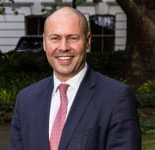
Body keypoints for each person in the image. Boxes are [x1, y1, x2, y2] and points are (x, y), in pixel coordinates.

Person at [8, 6, 141, 150]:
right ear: (44, 43)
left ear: (88, 41)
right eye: (55, 38)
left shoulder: (116, 98)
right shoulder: (26, 100)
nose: (64, 47)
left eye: (73, 38)